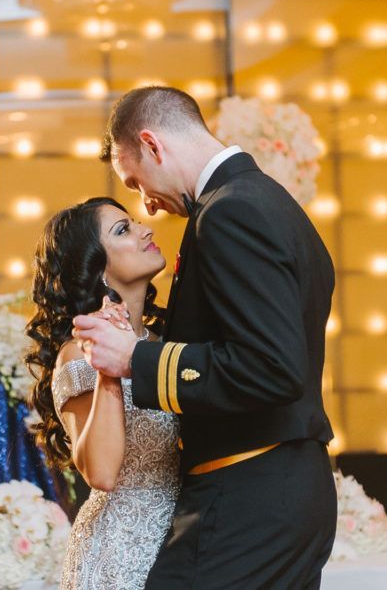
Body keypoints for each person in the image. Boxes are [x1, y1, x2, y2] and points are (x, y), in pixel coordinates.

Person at [73, 86, 337, 589]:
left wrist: (136, 359)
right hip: (275, 484)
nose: (146, 204)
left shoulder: (230, 212)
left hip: (247, 490)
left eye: (136, 181)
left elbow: (271, 368)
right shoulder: (265, 201)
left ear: (153, 146)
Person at [25, 197, 180, 589]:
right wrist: (110, 367)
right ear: (100, 269)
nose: (146, 229)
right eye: (123, 230)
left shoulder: (164, 344)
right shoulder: (78, 353)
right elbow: (102, 472)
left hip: (181, 544)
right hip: (118, 555)